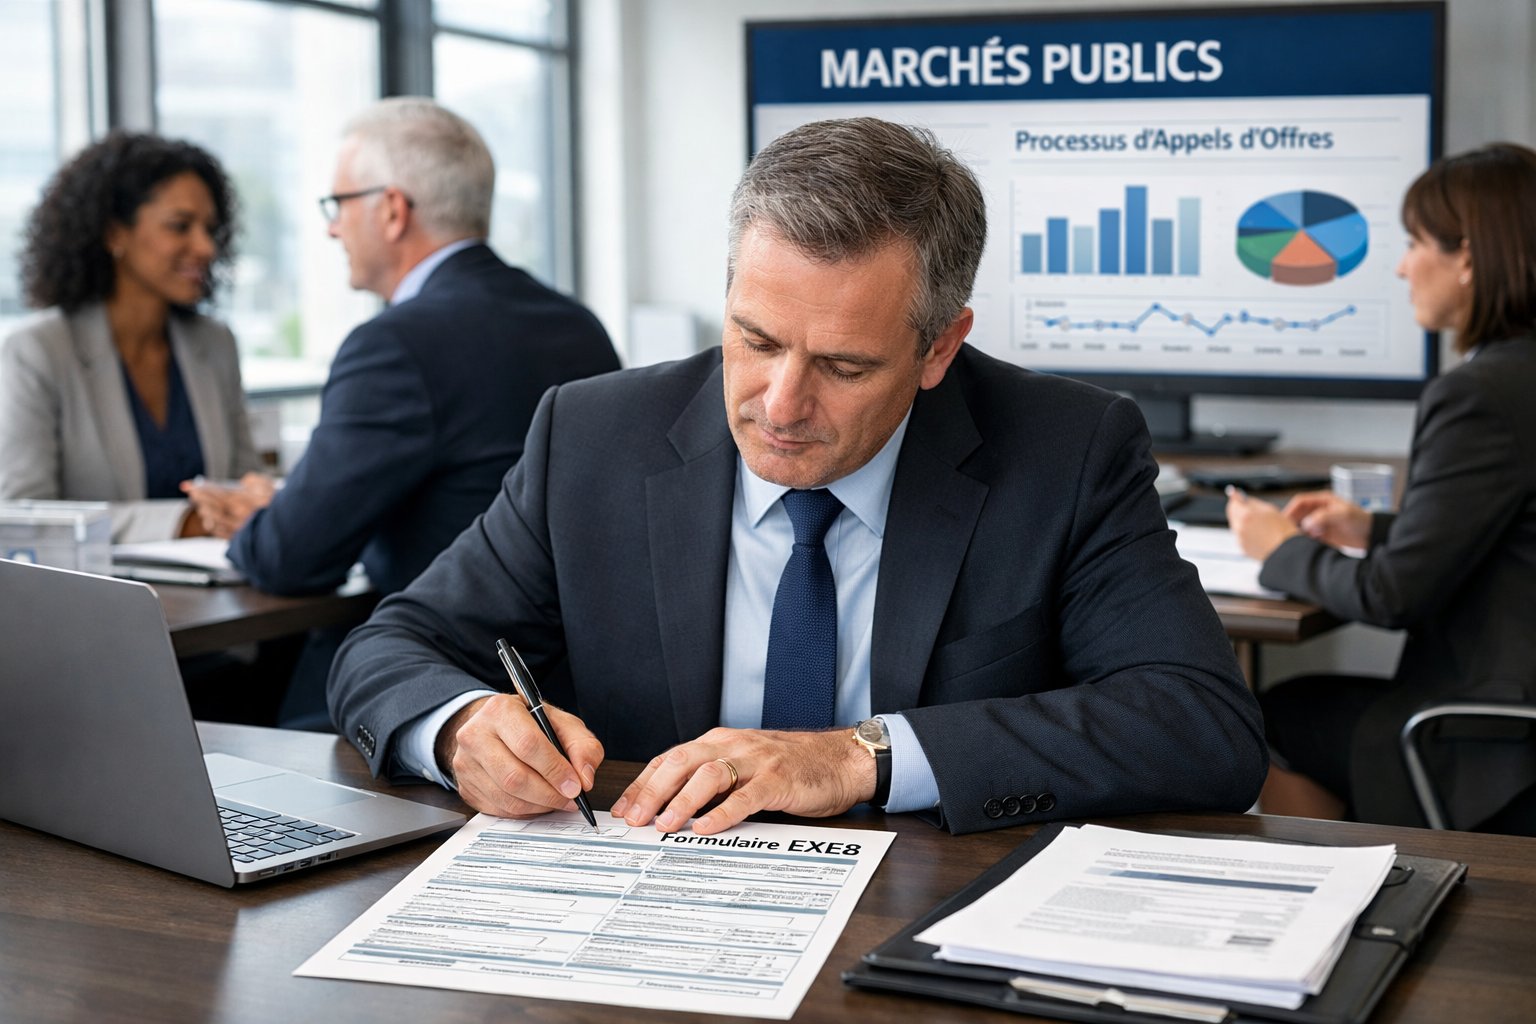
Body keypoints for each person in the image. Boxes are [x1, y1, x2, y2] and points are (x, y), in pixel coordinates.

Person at [330, 117, 1266, 835]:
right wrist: (456, 729)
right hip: (647, 913)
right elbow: (390, 647)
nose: (779, 404)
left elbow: (1202, 726)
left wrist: (864, 757)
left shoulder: (1067, 448)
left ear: (940, 347)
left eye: (845, 367)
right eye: (756, 340)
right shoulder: (592, 435)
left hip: (922, 918)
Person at [184, 97, 619, 727]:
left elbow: (292, 557)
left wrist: (267, 517)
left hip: (440, 689)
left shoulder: (396, 344)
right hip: (579, 687)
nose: (332, 228)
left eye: (339, 205)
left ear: (391, 210)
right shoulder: (577, 325)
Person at [1228, 142, 1536, 832]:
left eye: (1415, 242)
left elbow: (1392, 595)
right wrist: (1374, 531)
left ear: (1468, 257)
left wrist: (1278, 548)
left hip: (1495, 741)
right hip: (1516, 708)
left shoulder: (1479, 394)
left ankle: (1361, 890)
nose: (1401, 265)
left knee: (1254, 715)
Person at [0, 133, 259, 542]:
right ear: (115, 234)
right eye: (180, 226)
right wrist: (181, 523)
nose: (205, 247)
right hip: (98, 600)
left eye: (210, 229)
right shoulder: (40, 349)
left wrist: (250, 501)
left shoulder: (215, 344)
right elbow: (23, 515)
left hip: (222, 597)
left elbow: (245, 480)